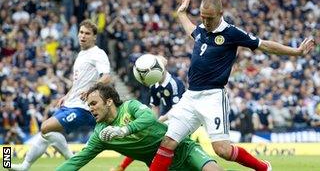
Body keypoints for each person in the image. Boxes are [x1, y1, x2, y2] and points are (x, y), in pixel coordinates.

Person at [149, 0, 315, 171]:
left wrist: (295, 52)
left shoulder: (232, 33)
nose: (205, 22)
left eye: (210, 18)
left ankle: (264, 168)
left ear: (221, 13)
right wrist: (181, 14)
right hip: (190, 97)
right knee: (167, 142)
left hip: (212, 97)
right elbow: (190, 27)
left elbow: (264, 45)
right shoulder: (201, 31)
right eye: (203, 17)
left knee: (222, 150)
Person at [10, 19, 112, 171]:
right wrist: (67, 95)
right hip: (71, 102)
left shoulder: (98, 53)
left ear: (94, 37)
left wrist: (91, 90)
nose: (83, 36)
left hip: (82, 107)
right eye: (81, 32)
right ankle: (25, 166)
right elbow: (78, 83)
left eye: (87, 33)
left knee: (46, 128)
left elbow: (106, 77)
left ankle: (71, 160)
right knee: (45, 134)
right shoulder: (81, 54)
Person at [56, 83, 223, 171]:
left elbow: (149, 117)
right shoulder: (101, 135)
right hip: (161, 166)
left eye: (93, 103)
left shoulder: (130, 106)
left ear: (109, 102)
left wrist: (123, 130)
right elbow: (76, 162)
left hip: (183, 149)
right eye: (89, 105)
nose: (90, 108)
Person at [111, 55, 186, 171]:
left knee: (173, 153)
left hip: (180, 120)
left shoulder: (175, 83)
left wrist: (160, 120)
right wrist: (151, 121)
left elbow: (178, 109)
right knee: (144, 138)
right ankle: (122, 167)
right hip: (166, 119)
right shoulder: (154, 85)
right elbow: (155, 106)